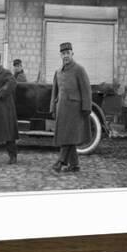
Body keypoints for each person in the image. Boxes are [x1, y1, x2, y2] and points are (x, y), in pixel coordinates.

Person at [49, 42, 92, 173]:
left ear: (72, 53)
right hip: (62, 109)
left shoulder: (79, 69)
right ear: (60, 55)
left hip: (75, 110)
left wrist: (86, 108)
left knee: (68, 136)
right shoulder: (58, 72)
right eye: (63, 53)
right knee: (68, 136)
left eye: (68, 53)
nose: (65, 56)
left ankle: (60, 161)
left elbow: (86, 90)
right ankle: (75, 165)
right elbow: (54, 92)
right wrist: (52, 107)